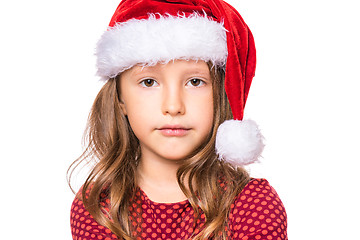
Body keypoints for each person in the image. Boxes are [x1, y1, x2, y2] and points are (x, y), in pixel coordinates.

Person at [68, 0, 288, 239]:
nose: (173, 107)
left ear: (221, 94)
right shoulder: (98, 206)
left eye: (195, 82)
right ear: (121, 99)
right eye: (149, 82)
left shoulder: (252, 203)